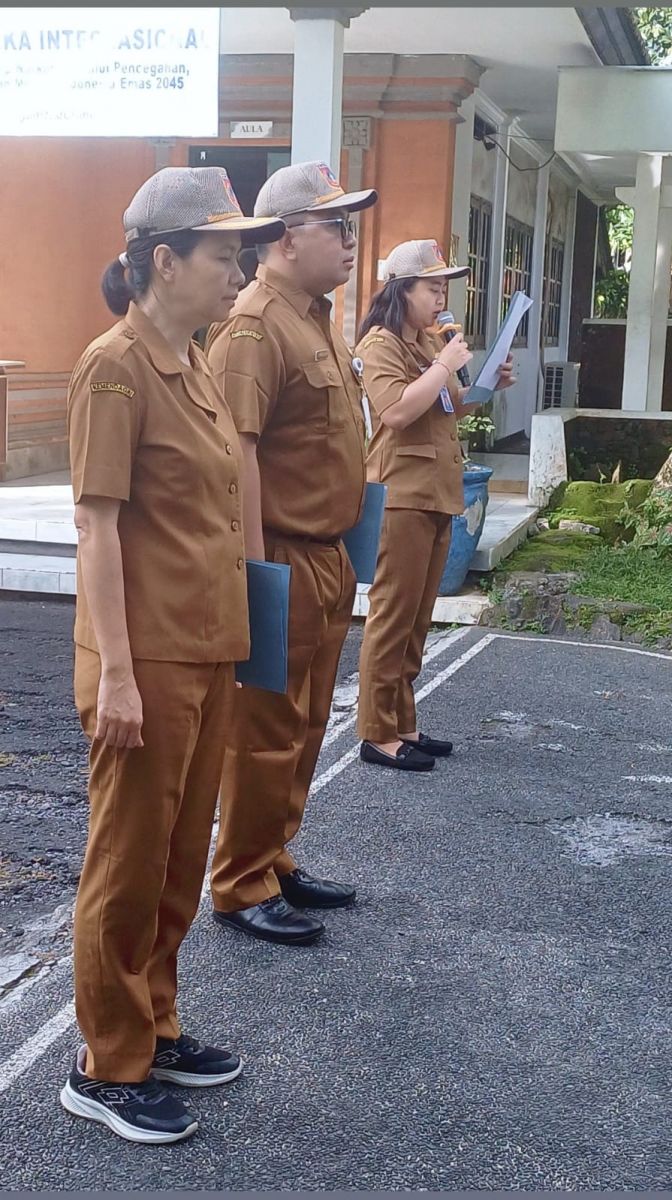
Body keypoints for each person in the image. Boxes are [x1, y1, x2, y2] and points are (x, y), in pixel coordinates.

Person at [60, 166, 284, 1144]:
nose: (239, 273)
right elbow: (97, 527)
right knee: (127, 862)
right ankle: (106, 1064)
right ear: (164, 260)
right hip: (143, 660)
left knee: (179, 858)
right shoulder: (114, 367)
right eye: (225, 256)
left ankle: (155, 1022)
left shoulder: (192, 361)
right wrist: (115, 671)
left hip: (203, 649)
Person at [205, 161, 378, 946]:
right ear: (282, 238)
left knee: (305, 724)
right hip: (278, 550)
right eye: (334, 225)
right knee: (264, 731)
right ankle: (241, 881)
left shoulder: (313, 317)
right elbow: (234, 454)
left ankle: (273, 855)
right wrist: (252, 574)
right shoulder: (253, 325)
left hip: (326, 553)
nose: (349, 240)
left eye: (348, 225)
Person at [355, 239, 515, 772]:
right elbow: (397, 412)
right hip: (401, 495)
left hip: (436, 491)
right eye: (431, 287)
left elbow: (444, 407)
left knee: (417, 619)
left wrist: (485, 386)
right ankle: (376, 732)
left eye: (444, 287)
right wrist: (444, 363)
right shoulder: (379, 345)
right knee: (392, 616)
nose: (440, 298)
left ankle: (403, 723)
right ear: (401, 290)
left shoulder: (426, 344)